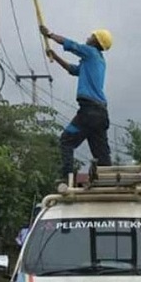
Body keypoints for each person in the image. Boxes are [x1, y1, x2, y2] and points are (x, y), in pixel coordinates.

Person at [40, 25, 113, 181]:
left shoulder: (91, 52)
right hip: (100, 114)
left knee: (66, 141)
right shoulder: (96, 61)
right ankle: (110, 181)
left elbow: (72, 45)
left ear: (96, 41)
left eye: (91, 36)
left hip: (89, 111)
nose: (88, 37)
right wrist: (55, 56)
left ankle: (67, 177)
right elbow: (73, 70)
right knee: (102, 156)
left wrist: (50, 34)